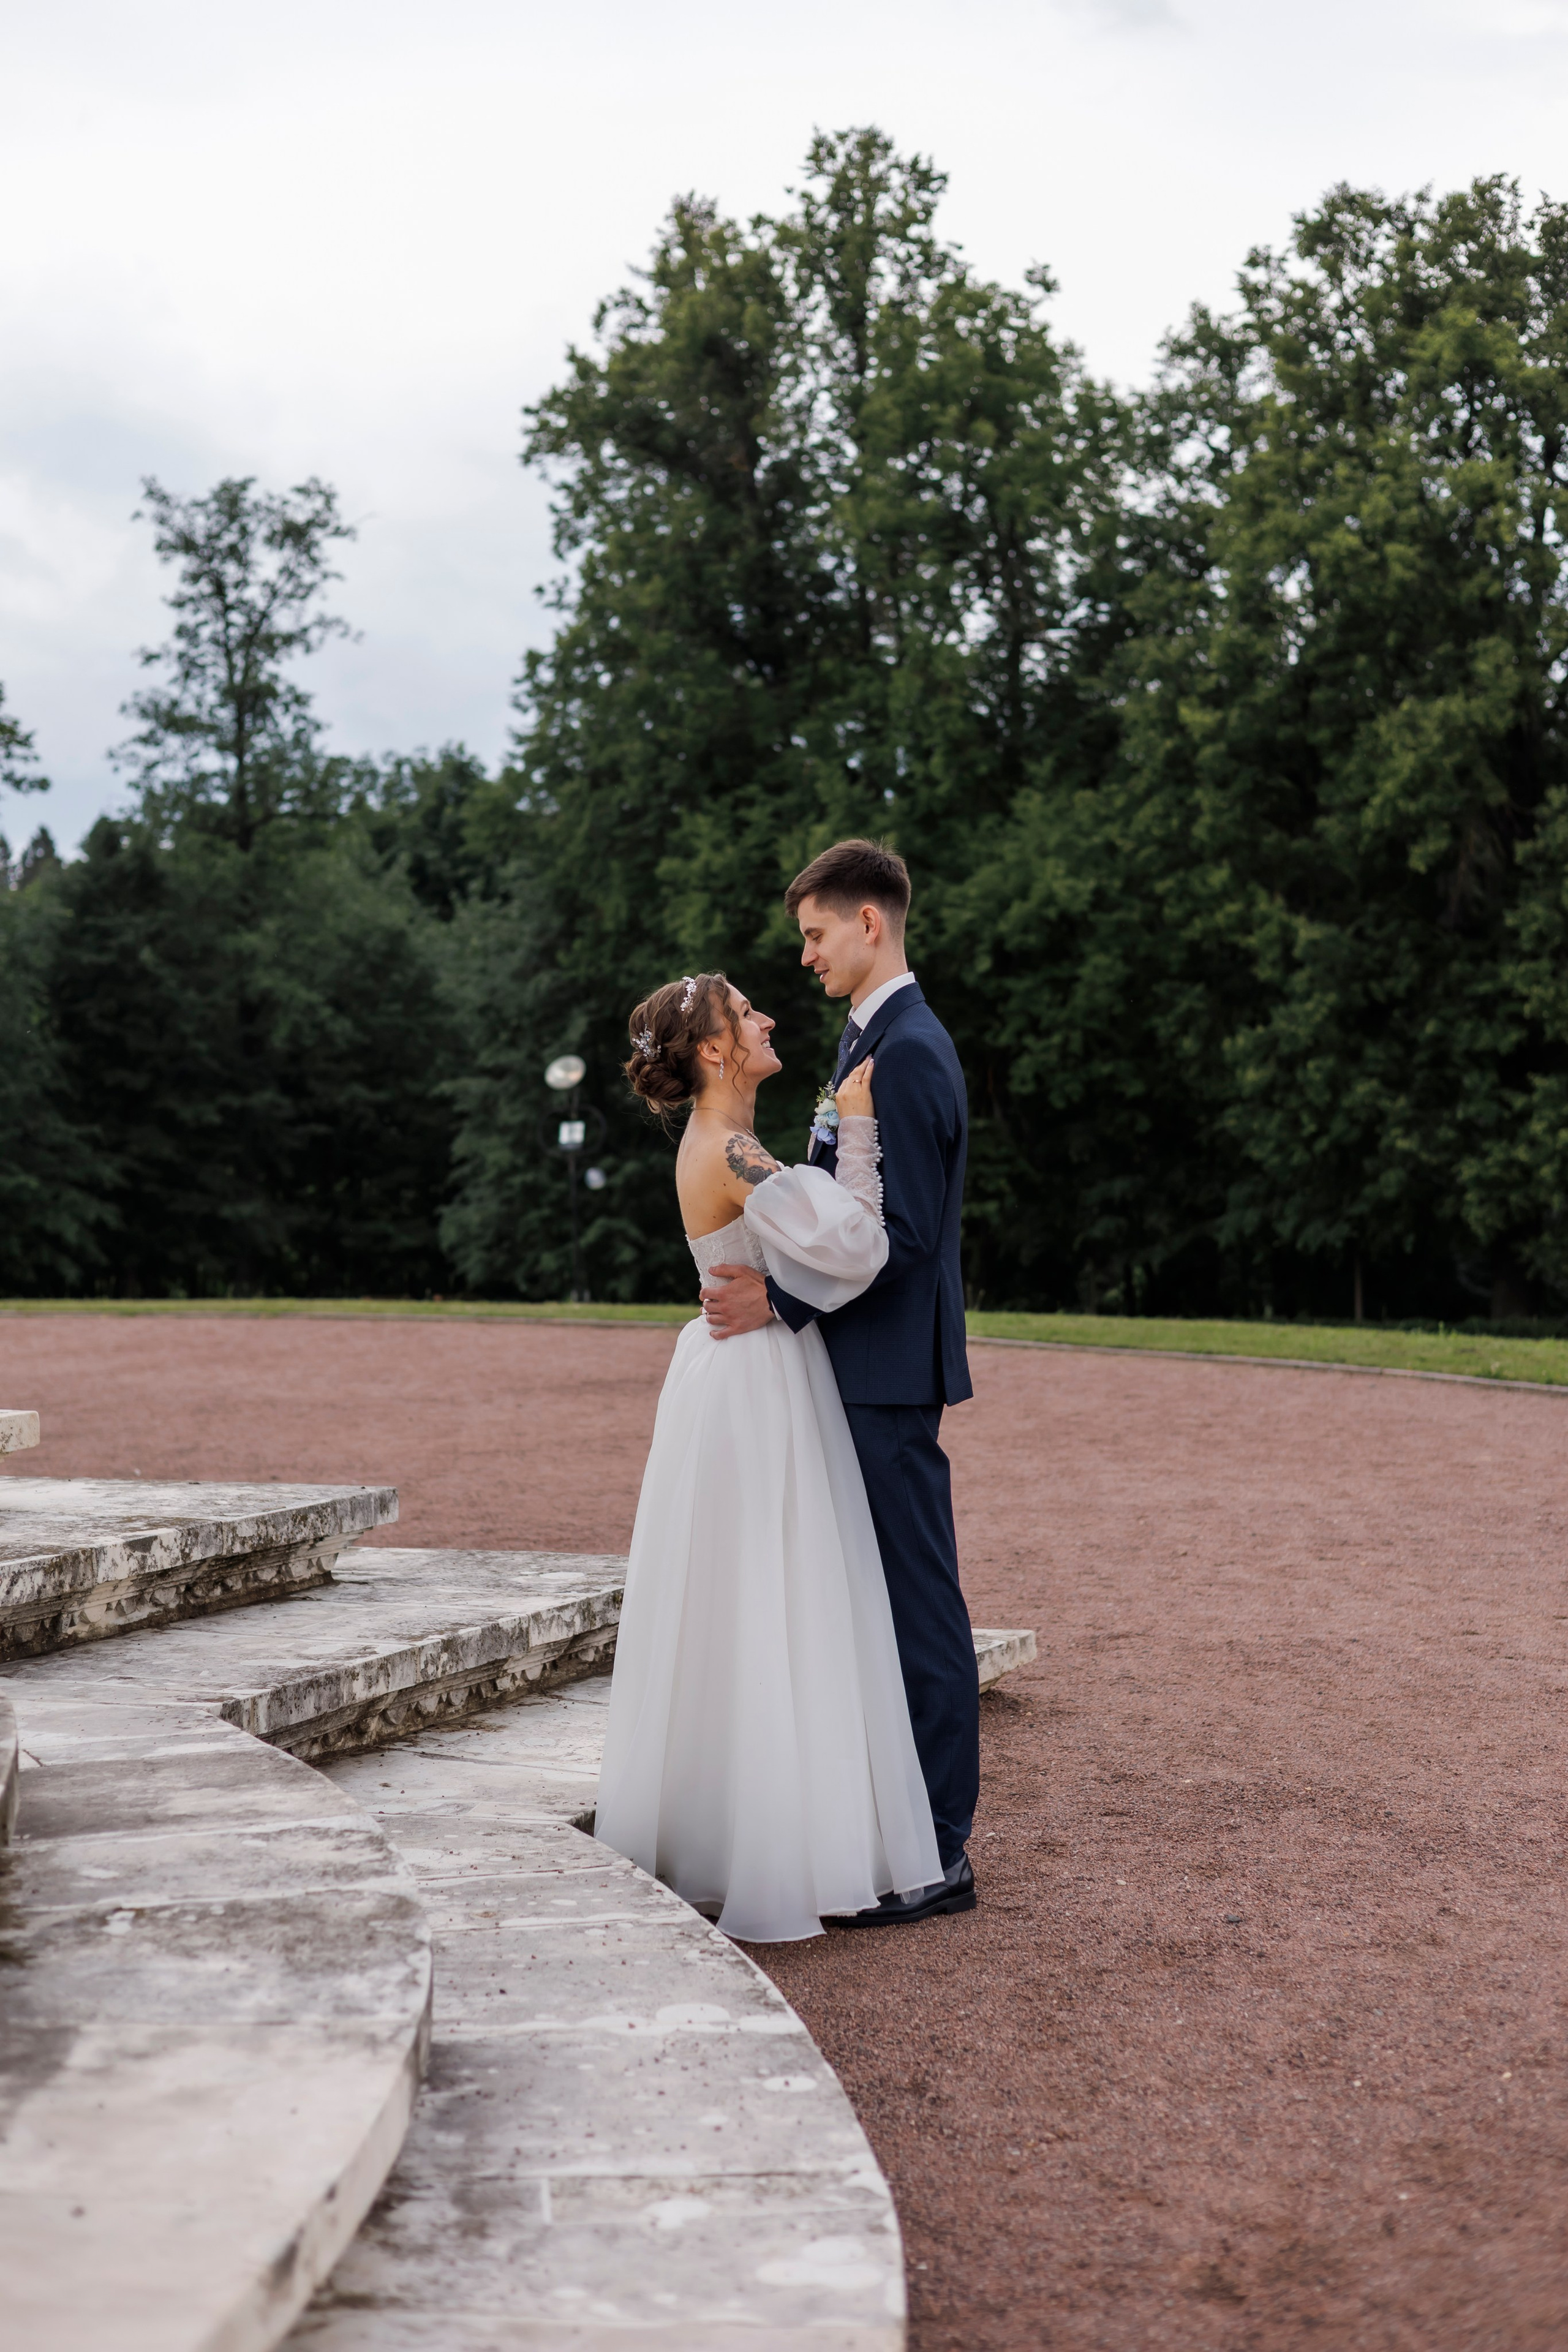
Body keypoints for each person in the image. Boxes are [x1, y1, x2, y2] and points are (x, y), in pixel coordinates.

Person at [592, 970, 942, 1942]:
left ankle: (740, 1836)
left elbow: (801, 1251)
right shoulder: (732, 1149)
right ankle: (778, 1848)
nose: (768, 1018)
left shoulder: (728, 1143)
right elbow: (859, 1247)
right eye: (747, 1013)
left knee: (747, 1599)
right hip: (757, 1386)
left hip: (738, 1371)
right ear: (714, 1050)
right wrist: (859, 1133)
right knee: (776, 1593)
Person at [701, 839, 979, 1926]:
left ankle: (940, 1851)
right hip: (856, 1363)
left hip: (886, 1368)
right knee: (870, 1597)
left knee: (915, 1600)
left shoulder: (909, 1051)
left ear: (870, 922)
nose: (806, 956)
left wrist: (781, 1303)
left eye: (816, 935)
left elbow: (904, 1237)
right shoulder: (867, 1038)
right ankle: (888, 1828)